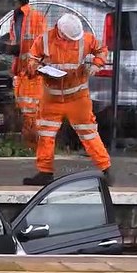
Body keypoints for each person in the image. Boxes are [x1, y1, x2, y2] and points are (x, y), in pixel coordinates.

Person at [23, 13, 113, 186]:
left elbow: (102, 49)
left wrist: (96, 64)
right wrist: (36, 68)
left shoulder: (84, 39)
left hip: (77, 97)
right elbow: (32, 59)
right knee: (46, 135)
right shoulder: (44, 40)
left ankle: (106, 168)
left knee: (88, 133)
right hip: (53, 98)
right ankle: (45, 172)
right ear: (60, 32)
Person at [5, 0, 47, 150]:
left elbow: (42, 45)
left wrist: (33, 63)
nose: (11, 2)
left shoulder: (35, 17)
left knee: (32, 111)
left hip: (32, 74)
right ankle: (28, 145)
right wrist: (10, 49)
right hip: (21, 73)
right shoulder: (15, 18)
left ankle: (36, 146)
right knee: (23, 111)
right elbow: (19, 43)